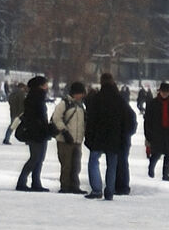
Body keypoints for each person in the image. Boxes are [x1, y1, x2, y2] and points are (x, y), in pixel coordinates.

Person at [85, 72, 134, 200]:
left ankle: (96, 190)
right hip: (115, 137)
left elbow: (90, 119)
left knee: (93, 162)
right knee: (112, 165)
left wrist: (89, 137)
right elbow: (129, 119)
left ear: (101, 82)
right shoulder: (120, 100)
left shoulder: (96, 99)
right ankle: (110, 191)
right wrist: (125, 135)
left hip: (98, 136)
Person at [13, 75, 52, 191]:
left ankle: (36, 182)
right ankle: (23, 181)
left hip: (38, 132)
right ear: (40, 86)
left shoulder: (35, 97)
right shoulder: (36, 98)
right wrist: (44, 128)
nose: (47, 87)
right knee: (35, 158)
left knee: (38, 158)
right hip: (36, 133)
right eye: (45, 84)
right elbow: (35, 117)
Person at [54, 81, 87, 194]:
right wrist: (65, 132)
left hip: (77, 140)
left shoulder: (80, 105)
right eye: (80, 93)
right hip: (65, 140)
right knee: (66, 164)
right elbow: (56, 118)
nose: (82, 96)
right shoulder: (64, 103)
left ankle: (74, 185)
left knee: (76, 165)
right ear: (74, 93)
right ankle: (65, 186)